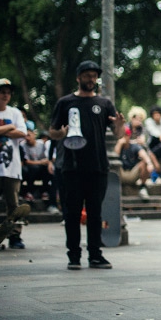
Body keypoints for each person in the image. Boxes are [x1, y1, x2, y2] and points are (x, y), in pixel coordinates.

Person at [48, 61, 125, 269]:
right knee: (72, 213)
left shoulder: (104, 103)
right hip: (71, 167)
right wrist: (60, 134)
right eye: (87, 75)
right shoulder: (65, 103)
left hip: (97, 166)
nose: (91, 79)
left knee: (95, 212)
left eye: (94, 76)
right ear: (78, 77)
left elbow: (117, 134)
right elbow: (52, 131)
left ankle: (95, 254)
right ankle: (73, 255)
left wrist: (120, 126)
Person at [0, 78, 29, 250]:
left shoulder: (15, 112)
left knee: (14, 205)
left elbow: (23, 134)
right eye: (2, 92)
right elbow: (16, 131)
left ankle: (15, 235)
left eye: (8, 93)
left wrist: (1, 130)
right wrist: (9, 128)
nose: (5, 95)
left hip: (12, 168)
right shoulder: (11, 118)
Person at [114, 129, 154, 200]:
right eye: (122, 135)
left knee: (144, 163)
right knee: (114, 165)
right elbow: (114, 158)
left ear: (128, 136)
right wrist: (119, 144)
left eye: (125, 135)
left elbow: (143, 154)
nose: (123, 137)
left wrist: (149, 163)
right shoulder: (118, 146)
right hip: (120, 173)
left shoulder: (134, 146)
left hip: (132, 173)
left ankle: (143, 187)